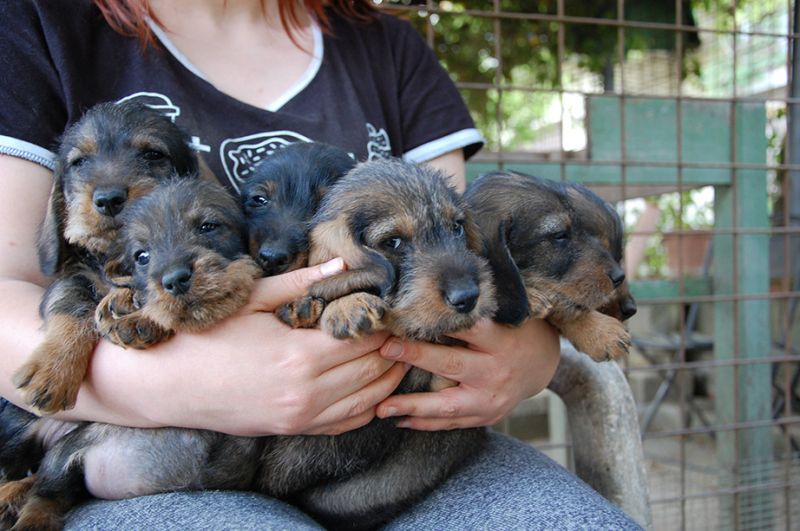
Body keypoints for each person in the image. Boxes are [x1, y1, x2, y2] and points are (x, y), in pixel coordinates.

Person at [0, 0, 640, 528]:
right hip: (161, 446)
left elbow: (456, 247)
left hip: (404, 442)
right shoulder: (37, 22)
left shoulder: (389, 48)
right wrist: (191, 389)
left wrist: (530, 352)